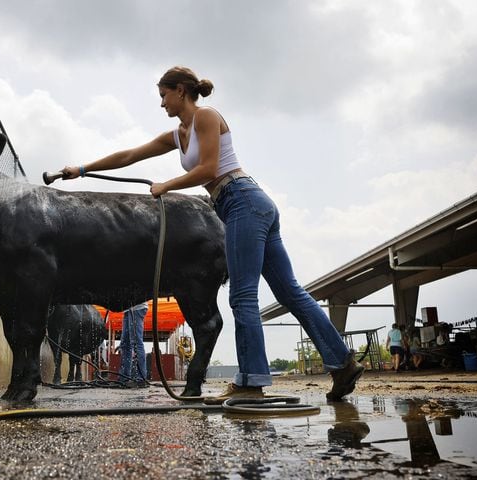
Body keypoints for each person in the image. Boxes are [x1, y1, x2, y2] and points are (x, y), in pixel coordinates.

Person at [61, 66, 363, 402]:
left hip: (241, 201)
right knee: (290, 292)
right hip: (244, 204)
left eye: (163, 95)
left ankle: (251, 383)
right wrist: (84, 169)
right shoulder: (178, 133)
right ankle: (343, 363)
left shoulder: (206, 116)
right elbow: (131, 154)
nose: (161, 104)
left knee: (243, 296)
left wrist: (168, 185)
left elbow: (207, 168)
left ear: (180, 91)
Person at [119, 302, 149, 387]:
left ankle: (141, 379)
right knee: (125, 344)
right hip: (128, 309)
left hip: (137, 307)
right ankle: (124, 378)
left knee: (136, 342)